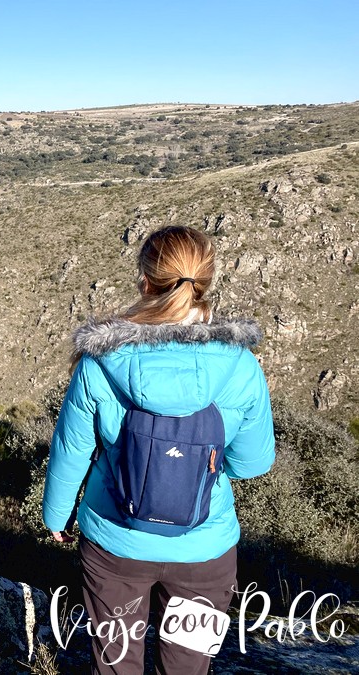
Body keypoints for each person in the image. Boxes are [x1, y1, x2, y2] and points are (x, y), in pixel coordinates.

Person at [42, 225, 275, 674]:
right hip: (205, 551)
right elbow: (251, 463)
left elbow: (71, 449)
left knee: (115, 666)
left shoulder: (100, 363)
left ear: (145, 283)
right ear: (204, 284)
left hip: (115, 546)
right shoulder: (240, 366)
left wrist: (56, 518)